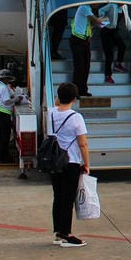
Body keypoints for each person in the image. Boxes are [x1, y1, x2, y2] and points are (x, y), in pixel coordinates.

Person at [48, 82, 90, 248]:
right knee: (68, 199)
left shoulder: (50, 113)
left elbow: (57, 105)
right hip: (70, 161)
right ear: (74, 98)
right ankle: (67, 234)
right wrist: (86, 163)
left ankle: (58, 232)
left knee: (58, 197)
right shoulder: (76, 117)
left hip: (54, 160)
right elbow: (83, 144)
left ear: (59, 96)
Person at [0, 69, 25, 163]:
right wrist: (16, 99)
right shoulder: (3, 87)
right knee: (4, 137)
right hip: (4, 114)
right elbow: (6, 101)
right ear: (6, 79)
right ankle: (4, 157)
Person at [69, 4, 103, 96]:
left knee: (86, 67)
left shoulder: (89, 10)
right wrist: (104, 19)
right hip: (77, 40)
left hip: (85, 40)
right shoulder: (84, 7)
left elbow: (93, 24)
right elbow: (96, 20)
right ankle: (75, 91)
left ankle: (83, 90)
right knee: (79, 67)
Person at [98, 1, 125, 84]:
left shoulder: (123, 8)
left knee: (122, 46)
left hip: (114, 31)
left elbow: (127, 19)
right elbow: (100, 10)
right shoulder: (112, 5)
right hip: (106, 31)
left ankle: (118, 64)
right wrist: (104, 20)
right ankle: (108, 76)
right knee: (109, 54)